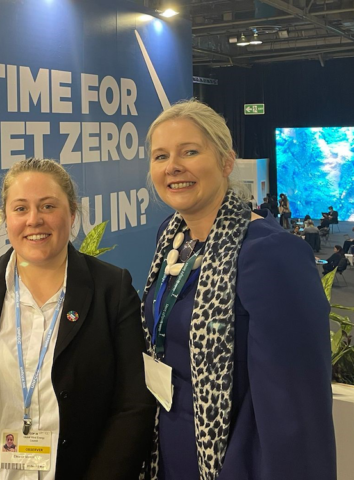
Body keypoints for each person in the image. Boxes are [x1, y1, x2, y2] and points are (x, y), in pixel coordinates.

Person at [0, 158, 155, 480]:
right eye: (20, 209)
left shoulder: (111, 289)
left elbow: (133, 404)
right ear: (5, 218)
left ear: (72, 213)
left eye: (48, 206)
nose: (34, 220)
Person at [141, 99, 335, 480]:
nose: (172, 166)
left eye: (190, 152)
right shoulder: (172, 235)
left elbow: (293, 410)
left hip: (231, 459)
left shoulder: (271, 253)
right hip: (166, 445)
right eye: (160, 156)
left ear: (227, 162)